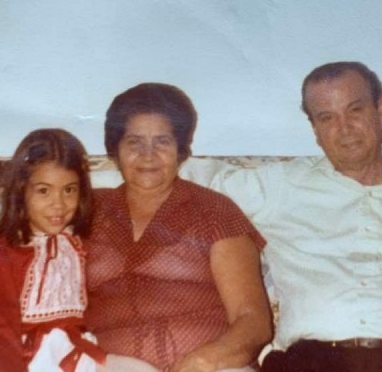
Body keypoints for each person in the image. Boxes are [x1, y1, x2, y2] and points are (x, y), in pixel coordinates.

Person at [181, 61, 382, 371]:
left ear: (381, 111)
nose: (344, 129)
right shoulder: (280, 185)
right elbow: (173, 174)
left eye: (355, 110)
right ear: (315, 130)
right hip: (310, 362)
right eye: (327, 117)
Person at [83, 83, 273, 371]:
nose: (148, 155)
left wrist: (205, 360)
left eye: (162, 142)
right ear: (115, 149)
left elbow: (253, 321)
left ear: (181, 150)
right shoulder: (85, 212)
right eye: (134, 142)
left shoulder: (214, 210)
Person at [0, 129, 157, 371]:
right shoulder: (1, 256)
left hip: (70, 349)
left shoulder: (75, 245)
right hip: (14, 357)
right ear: (21, 193)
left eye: (69, 190)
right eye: (44, 190)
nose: (59, 204)